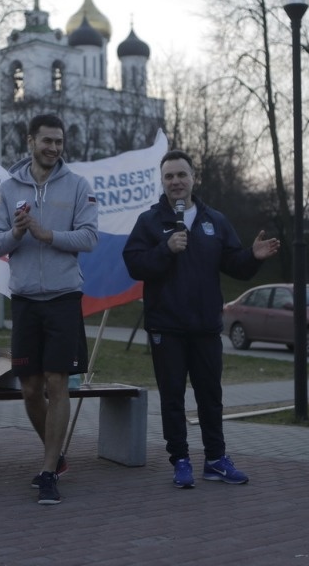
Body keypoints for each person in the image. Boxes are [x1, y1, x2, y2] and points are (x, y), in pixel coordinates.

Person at [122, 149, 280, 488]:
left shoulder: (215, 221)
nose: (176, 181)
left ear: (194, 178)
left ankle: (215, 460)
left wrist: (253, 257)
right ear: (162, 182)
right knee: (173, 396)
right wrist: (166, 249)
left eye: (182, 175)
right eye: (169, 176)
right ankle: (180, 460)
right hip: (167, 326)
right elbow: (134, 264)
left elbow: (235, 264)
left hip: (206, 326)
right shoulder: (150, 222)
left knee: (211, 395)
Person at [0, 113, 98, 505]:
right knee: (31, 389)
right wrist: (17, 232)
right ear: (30, 141)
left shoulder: (78, 186)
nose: (53, 147)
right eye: (46, 140)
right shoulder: (8, 187)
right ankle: (57, 454)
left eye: (59, 142)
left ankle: (49, 470)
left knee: (57, 382)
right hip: (26, 301)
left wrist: (46, 234)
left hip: (64, 299)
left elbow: (89, 237)